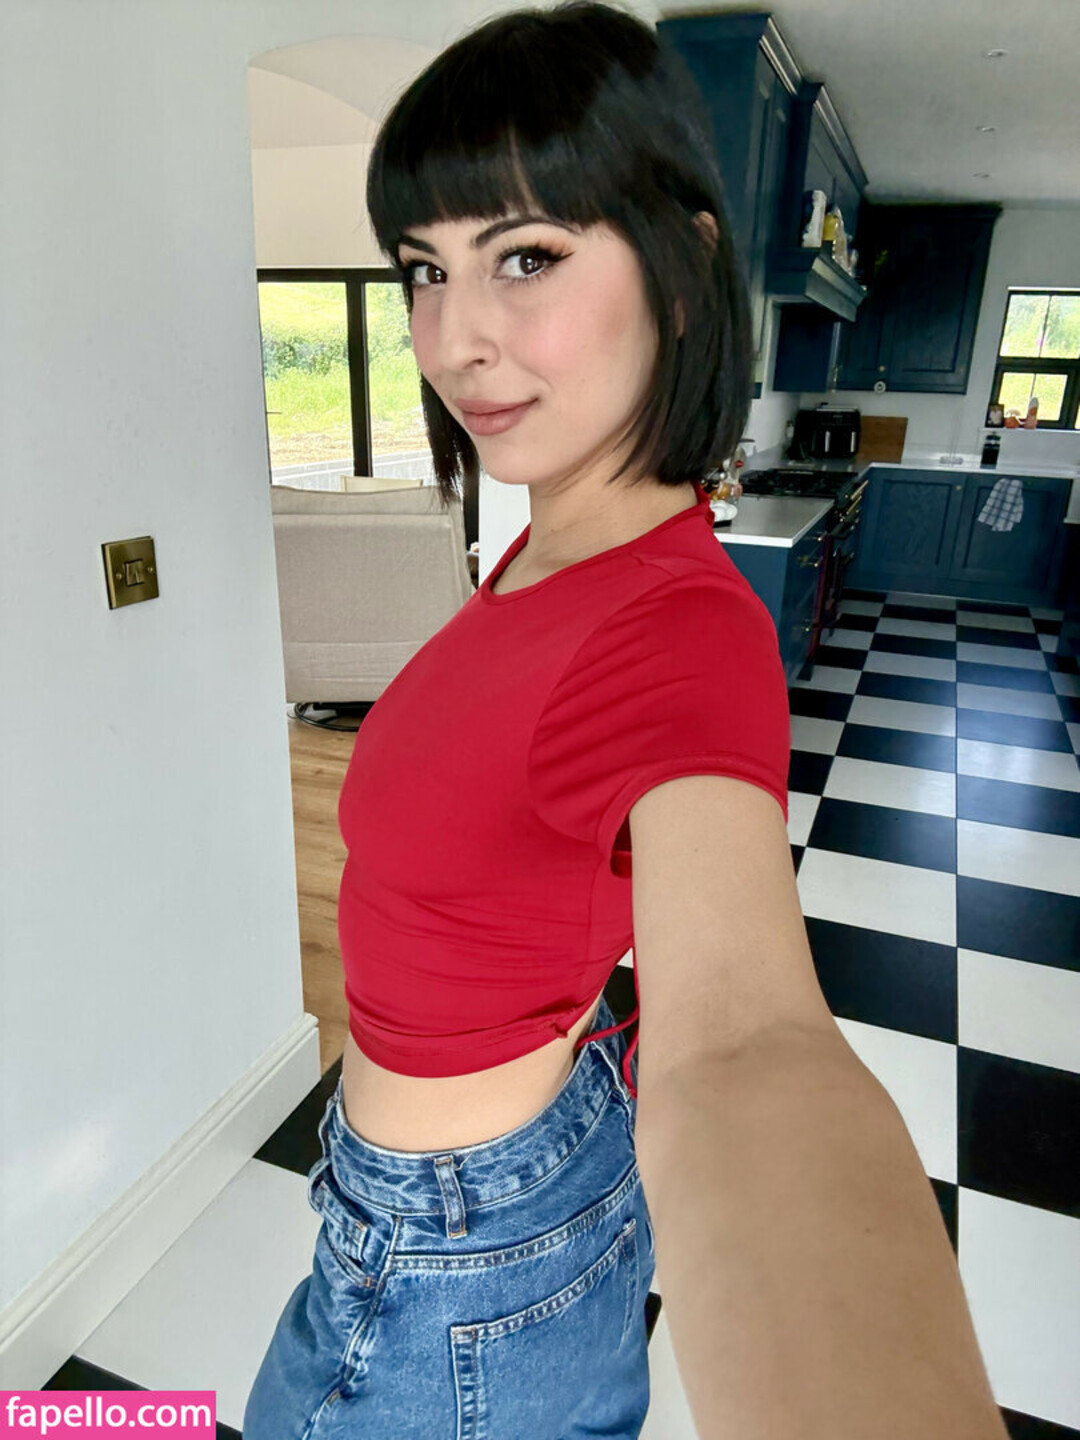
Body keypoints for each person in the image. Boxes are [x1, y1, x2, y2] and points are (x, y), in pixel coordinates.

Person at [244, 5, 1008, 1438]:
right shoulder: (549, 554)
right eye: (424, 270)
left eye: (526, 255)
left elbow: (747, 1047)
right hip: (489, 1189)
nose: (453, 337)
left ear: (680, 268)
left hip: (454, 1269)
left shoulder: (671, 627)